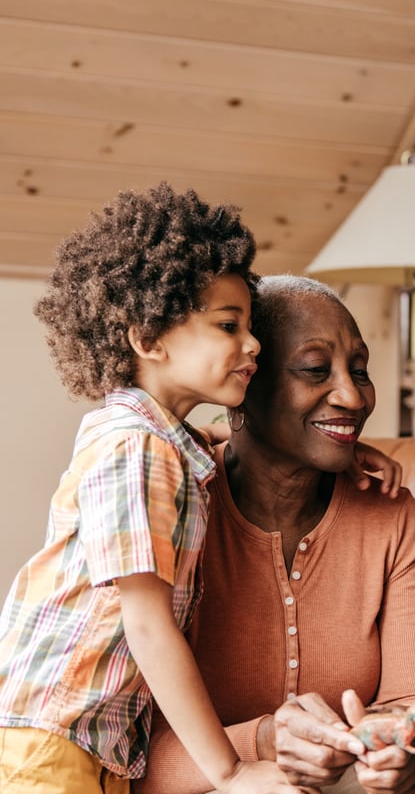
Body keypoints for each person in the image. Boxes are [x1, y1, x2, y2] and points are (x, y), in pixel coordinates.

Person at [0, 183, 300, 793]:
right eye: (228, 324)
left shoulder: (150, 437)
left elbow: (212, 443)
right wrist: (231, 770)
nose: (254, 344)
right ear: (147, 338)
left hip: (86, 739)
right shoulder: (137, 449)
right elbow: (146, 623)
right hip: (52, 739)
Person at [136, 275, 415, 794]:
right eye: (316, 370)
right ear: (246, 379)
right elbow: (129, 761)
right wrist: (264, 741)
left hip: (347, 783)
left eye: (360, 371)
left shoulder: (391, 514)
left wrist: (406, 742)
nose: (353, 396)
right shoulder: (172, 499)